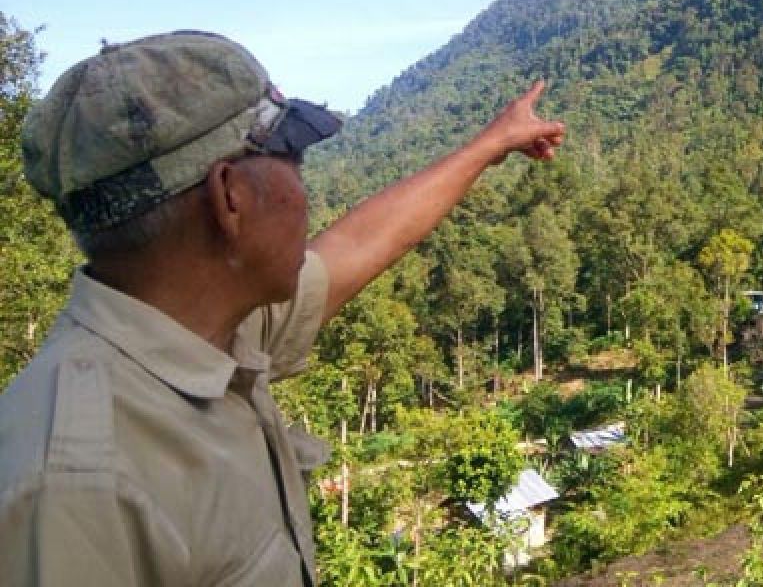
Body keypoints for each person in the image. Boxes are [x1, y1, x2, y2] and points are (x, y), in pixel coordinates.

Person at [0, 30, 565, 586]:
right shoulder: (76, 482)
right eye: (291, 155)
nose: (304, 188)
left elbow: (355, 247)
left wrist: (491, 144)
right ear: (229, 196)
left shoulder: (215, 330)